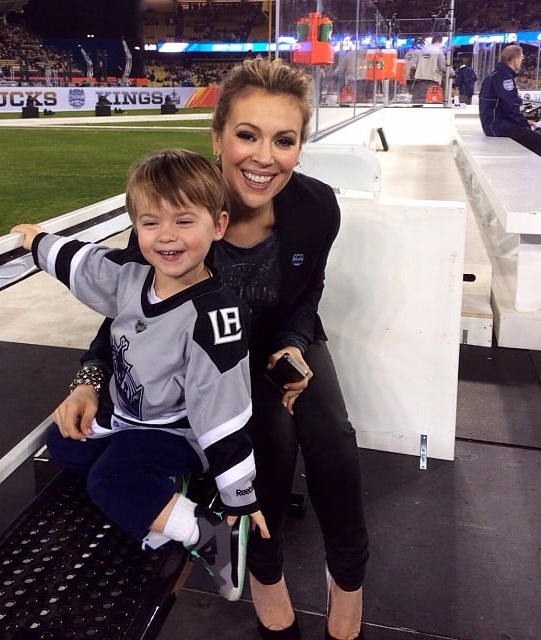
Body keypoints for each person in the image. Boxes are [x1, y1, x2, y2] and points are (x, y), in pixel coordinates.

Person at [55, 58, 369, 640]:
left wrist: (294, 346)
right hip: (208, 360)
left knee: (332, 438)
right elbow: (129, 313)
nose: (263, 157)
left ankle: (348, 581)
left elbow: (308, 291)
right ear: (217, 137)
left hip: (280, 344)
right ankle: (264, 578)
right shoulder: (178, 212)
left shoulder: (318, 207)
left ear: (301, 144)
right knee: (268, 439)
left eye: (284, 140)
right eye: (247, 135)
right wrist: (90, 378)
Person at [11, 148, 269, 602]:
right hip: (127, 416)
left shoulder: (216, 315)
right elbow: (82, 263)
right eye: (151, 223)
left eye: (184, 221)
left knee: (110, 479)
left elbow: (222, 411)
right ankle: (156, 499)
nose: (166, 237)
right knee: (60, 443)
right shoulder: (131, 277)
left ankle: (213, 537)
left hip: (176, 432)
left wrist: (240, 497)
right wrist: (37, 242)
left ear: (219, 225)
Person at [479, 44, 541, 156]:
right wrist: (525, 124)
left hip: (494, 124)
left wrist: (526, 122)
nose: (521, 61)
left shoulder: (497, 75)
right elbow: (510, 108)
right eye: (521, 58)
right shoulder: (504, 78)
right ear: (515, 59)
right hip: (497, 126)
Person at [412, 35, 446, 104]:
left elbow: (413, 66)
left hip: (419, 81)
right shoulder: (439, 52)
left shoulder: (421, 51)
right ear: (439, 42)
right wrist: (451, 72)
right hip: (432, 81)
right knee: (431, 103)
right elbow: (443, 67)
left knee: (418, 103)